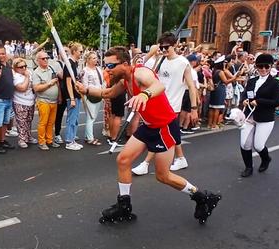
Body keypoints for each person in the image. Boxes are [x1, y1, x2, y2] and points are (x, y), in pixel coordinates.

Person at [76, 46, 221, 224]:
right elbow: (107, 93)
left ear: (125, 64)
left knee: (163, 176)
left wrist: (145, 95)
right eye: (105, 65)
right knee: (123, 160)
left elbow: (159, 85)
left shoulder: (140, 73)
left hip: (165, 127)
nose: (107, 69)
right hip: (149, 127)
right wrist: (86, 90)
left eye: (111, 66)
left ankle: (201, 197)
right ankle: (124, 206)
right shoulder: (124, 82)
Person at [132, 32, 199, 175]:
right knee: (172, 133)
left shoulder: (183, 63)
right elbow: (149, 73)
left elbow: (191, 87)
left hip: (172, 105)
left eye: (166, 47)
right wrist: (154, 55)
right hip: (160, 101)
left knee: (158, 133)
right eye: (161, 47)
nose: (163, 49)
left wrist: (194, 108)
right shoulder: (161, 59)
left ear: (174, 45)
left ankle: (146, 163)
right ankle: (181, 158)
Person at [239, 54, 279, 177]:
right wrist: (244, 100)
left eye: (266, 66)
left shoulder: (275, 83)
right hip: (249, 116)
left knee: (258, 145)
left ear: (270, 66)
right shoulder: (251, 81)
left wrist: (259, 101)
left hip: (265, 118)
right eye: (260, 66)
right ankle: (248, 167)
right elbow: (244, 94)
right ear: (256, 67)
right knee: (245, 144)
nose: (263, 69)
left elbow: (276, 102)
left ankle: (266, 158)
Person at [32, 51, 61, 150]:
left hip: (54, 101)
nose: (46, 60)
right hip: (43, 101)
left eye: (47, 58)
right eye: (43, 58)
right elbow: (36, 88)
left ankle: (49, 140)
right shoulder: (36, 72)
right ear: (38, 60)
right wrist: (49, 83)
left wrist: (59, 96)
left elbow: (57, 84)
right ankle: (42, 142)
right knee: (43, 122)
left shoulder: (51, 69)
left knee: (51, 122)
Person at [62, 42, 84, 150]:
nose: (81, 53)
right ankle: (69, 141)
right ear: (74, 51)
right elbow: (68, 82)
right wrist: (71, 98)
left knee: (75, 119)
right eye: (80, 51)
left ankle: (73, 139)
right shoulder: (69, 64)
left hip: (77, 95)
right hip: (72, 96)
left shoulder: (75, 63)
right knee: (71, 119)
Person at [12, 58, 37, 148]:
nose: (24, 68)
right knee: (21, 122)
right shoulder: (15, 76)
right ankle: (22, 139)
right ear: (15, 68)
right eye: (21, 67)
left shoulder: (29, 73)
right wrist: (26, 77)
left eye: (25, 66)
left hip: (30, 101)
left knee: (29, 121)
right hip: (20, 102)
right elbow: (22, 88)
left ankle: (28, 136)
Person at [82, 51, 104, 145]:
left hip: (99, 95)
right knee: (90, 117)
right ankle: (90, 138)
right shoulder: (85, 71)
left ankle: (88, 136)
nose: (96, 59)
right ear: (88, 60)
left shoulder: (98, 69)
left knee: (93, 117)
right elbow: (84, 85)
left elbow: (102, 82)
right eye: (94, 58)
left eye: (96, 57)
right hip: (90, 96)